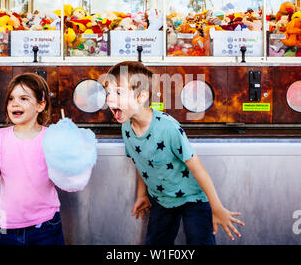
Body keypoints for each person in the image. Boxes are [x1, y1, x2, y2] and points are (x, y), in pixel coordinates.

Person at [104, 61, 244, 245]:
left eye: (118, 92)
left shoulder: (167, 127)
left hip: (192, 198)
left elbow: (198, 169)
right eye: (108, 93)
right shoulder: (126, 127)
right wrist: (142, 194)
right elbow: (141, 161)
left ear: (141, 97)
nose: (109, 99)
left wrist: (216, 208)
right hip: (162, 199)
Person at [0, 73, 64, 245]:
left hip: (46, 224)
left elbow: (64, 175)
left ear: (40, 105)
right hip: (8, 225)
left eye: (24, 98)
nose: (15, 103)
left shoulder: (52, 137)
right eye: (11, 98)